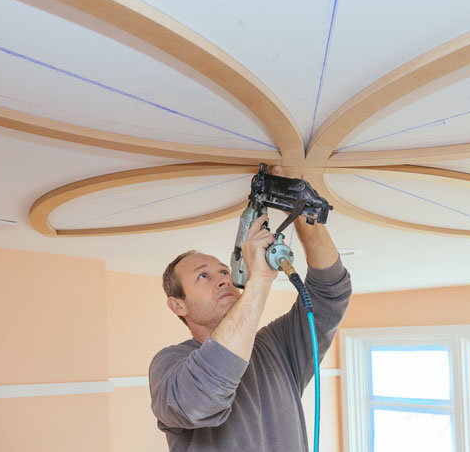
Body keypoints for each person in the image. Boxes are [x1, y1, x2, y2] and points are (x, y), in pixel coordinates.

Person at [149, 166, 352, 452]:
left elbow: (330, 292)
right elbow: (201, 400)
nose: (222, 278)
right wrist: (260, 281)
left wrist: (303, 211)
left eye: (224, 272)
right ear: (177, 305)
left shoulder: (277, 346)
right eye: (203, 276)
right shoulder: (171, 363)